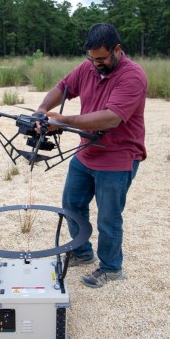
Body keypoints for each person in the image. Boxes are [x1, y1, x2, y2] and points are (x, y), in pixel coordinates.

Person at [36, 23, 147, 289]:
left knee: (108, 216)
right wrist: (41, 109)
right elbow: (64, 86)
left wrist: (64, 121)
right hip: (86, 152)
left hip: (117, 157)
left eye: (101, 58)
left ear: (117, 50)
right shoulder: (88, 67)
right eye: (91, 58)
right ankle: (82, 252)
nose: (95, 64)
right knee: (72, 204)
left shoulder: (133, 76)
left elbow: (111, 118)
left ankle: (111, 267)